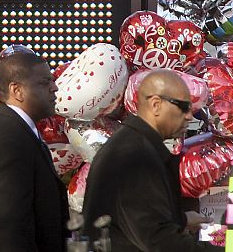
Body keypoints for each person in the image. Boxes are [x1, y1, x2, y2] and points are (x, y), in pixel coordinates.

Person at [81, 69, 223, 251]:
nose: (189, 116)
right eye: (184, 107)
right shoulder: (136, 154)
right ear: (156, 105)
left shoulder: (131, 144)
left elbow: (137, 218)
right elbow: (158, 239)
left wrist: (181, 219)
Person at [0, 51, 68, 251]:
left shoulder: (17, 130)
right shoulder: (3, 135)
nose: (54, 87)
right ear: (17, 90)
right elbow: (9, 223)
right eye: (44, 82)